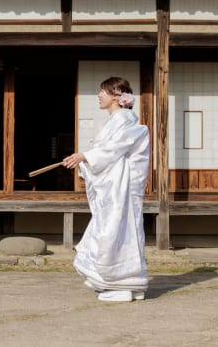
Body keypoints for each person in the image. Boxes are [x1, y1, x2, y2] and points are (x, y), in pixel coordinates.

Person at [61, 76, 150, 302]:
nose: (99, 96)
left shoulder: (124, 120)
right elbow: (109, 151)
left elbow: (114, 150)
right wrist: (83, 159)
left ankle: (119, 283)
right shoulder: (118, 120)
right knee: (116, 232)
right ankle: (128, 283)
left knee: (114, 232)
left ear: (117, 96)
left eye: (103, 91)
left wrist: (84, 156)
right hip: (115, 188)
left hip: (121, 190)